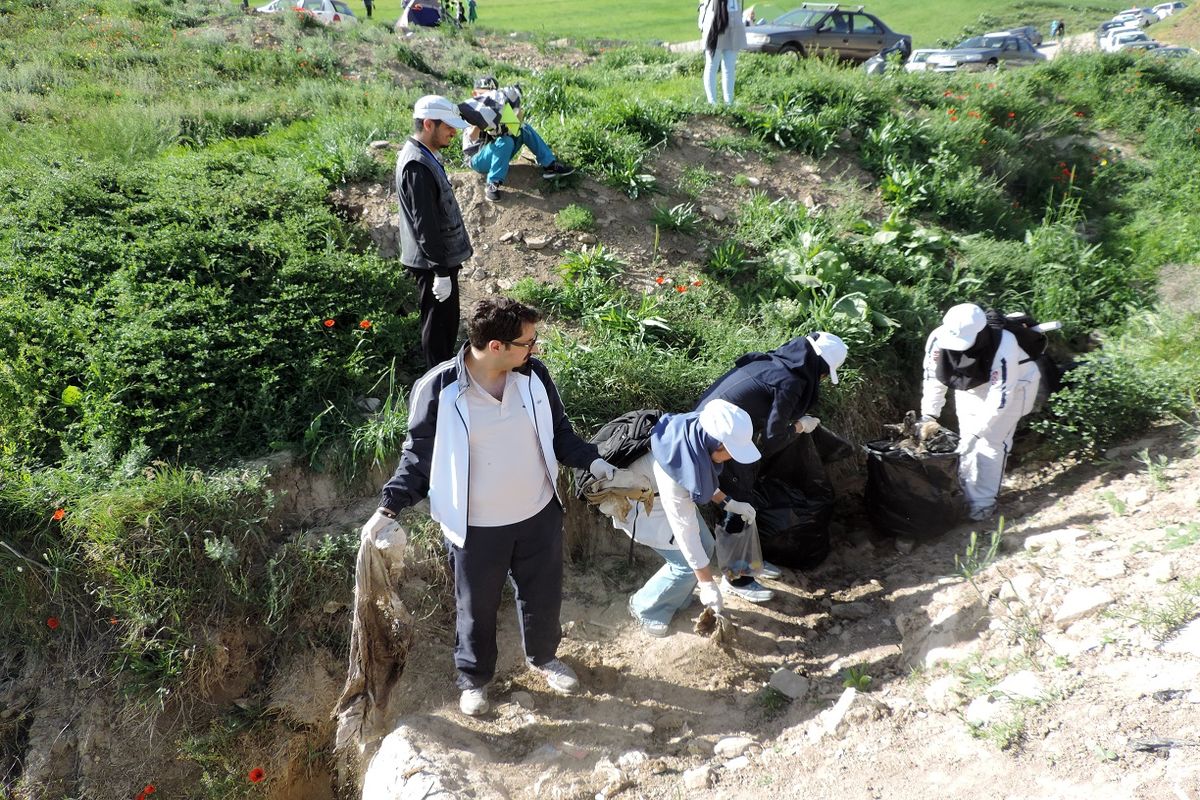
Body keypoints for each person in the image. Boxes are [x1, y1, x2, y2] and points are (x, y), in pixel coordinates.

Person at [360, 297, 618, 716]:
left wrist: (593, 459)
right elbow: (418, 458)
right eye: (527, 342)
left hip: (538, 514)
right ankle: (475, 680)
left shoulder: (533, 375)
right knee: (475, 607)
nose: (534, 350)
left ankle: (544, 658)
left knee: (542, 596)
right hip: (476, 527)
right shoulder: (439, 388)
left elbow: (559, 434)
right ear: (495, 346)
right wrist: (388, 508)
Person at [695, 332, 848, 601]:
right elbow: (772, 438)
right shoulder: (790, 382)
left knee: (744, 492)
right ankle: (737, 578)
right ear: (818, 367)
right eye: (824, 374)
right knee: (737, 500)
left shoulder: (775, 365)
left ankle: (749, 560)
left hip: (712, 428)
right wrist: (799, 426)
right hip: (714, 437)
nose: (822, 380)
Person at [613, 400, 761, 637]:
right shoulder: (672, 468)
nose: (730, 459)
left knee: (707, 545)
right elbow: (684, 529)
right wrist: (707, 584)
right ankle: (644, 607)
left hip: (659, 496)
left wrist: (729, 503)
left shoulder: (694, 434)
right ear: (718, 444)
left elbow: (699, 476)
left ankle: (675, 597)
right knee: (684, 564)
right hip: (640, 503)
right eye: (730, 453)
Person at [919, 303, 1041, 522]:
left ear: (979, 332)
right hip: (971, 387)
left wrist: (978, 433)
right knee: (966, 443)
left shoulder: (1004, 343)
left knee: (990, 443)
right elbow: (933, 378)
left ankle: (983, 505)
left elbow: (1000, 398)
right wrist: (929, 415)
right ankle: (966, 497)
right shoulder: (938, 339)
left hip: (1015, 387)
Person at [396, 95, 473, 370]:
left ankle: (442, 378)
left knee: (446, 323)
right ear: (429, 124)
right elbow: (424, 224)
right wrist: (440, 271)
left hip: (437, 262)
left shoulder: (424, 156)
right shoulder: (417, 165)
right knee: (438, 327)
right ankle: (437, 385)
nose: (453, 132)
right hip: (432, 264)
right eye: (448, 126)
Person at [460, 76, 575, 203]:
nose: (487, 97)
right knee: (505, 141)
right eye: (483, 94)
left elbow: (516, 127)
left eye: (491, 94)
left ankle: (550, 164)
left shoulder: (498, 107)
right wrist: (480, 119)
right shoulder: (471, 110)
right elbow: (472, 136)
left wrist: (514, 107)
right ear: (475, 94)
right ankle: (492, 184)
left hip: (499, 151)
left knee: (523, 128)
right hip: (478, 158)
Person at [697, 0, 747, 105]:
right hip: (714, 24)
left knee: (729, 67)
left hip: (733, 23)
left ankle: (729, 103)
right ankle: (712, 103)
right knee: (712, 64)